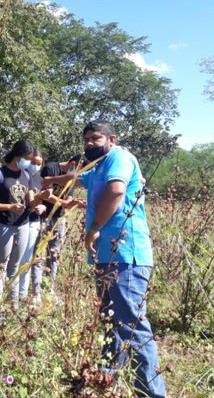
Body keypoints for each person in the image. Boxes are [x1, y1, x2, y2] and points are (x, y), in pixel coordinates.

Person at [77, 120, 165, 397]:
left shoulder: (119, 157)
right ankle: (107, 380)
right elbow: (78, 179)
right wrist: (49, 179)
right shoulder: (101, 165)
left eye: (95, 138)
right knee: (111, 320)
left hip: (126, 253)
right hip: (107, 254)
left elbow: (116, 191)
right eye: (86, 140)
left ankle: (151, 393)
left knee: (131, 325)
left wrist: (93, 230)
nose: (89, 144)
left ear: (111, 139)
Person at [0, 140, 50, 309]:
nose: (28, 163)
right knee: (1, 265)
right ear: (17, 156)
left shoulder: (26, 175)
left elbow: (30, 202)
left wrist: (41, 197)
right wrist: (9, 207)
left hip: (23, 225)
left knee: (15, 265)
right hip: (4, 225)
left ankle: (13, 304)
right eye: (27, 159)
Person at [39, 153, 83, 302]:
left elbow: (69, 195)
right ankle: (36, 288)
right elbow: (46, 194)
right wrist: (65, 203)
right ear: (71, 164)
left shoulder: (73, 176)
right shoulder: (51, 169)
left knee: (54, 253)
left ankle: (49, 288)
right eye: (77, 170)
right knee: (38, 252)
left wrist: (72, 201)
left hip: (59, 218)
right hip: (43, 216)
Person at [18, 148, 47, 305]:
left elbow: (42, 201)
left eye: (39, 164)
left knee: (28, 258)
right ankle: (14, 292)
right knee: (18, 257)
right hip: (22, 221)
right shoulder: (22, 176)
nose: (35, 166)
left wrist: (43, 207)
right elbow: (28, 199)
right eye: (33, 162)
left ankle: (23, 293)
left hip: (35, 220)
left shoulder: (40, 179)